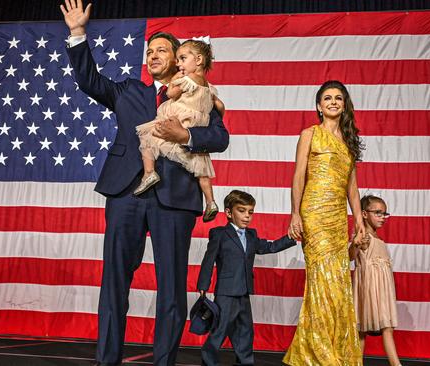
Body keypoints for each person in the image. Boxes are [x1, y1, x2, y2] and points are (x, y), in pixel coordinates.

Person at [60, 1, 229, 365]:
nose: (153, 55)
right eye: (149, 51)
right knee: (115, 282)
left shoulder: (201, 95)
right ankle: (108, 360)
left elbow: (220, 138)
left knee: (171, 287)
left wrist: (185, 135)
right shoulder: (129, 91)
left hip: (175, 199)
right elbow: (89, 80)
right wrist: (77, 33)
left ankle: (164, 361)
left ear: (179, 59)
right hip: (125, 194)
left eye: (162, 50)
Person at [283, 80, 366, 365]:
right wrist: (295, 213)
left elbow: (352, 188)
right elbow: (298, 176)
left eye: (338, 98)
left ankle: (336, 348)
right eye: (327, 98)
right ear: (319, 105)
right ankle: (317, 353)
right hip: (314, 214)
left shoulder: (349, 141)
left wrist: (360, 221)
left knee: (339, 280)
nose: (333, 102)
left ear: (344, 105)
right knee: (321, 279)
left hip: (336, 218)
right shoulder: (310, 134)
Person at [197, 190, 297, 365]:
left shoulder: (251, 235)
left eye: (250, 212)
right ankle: (208, 361)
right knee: (220, 330)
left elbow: (270, 247)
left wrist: (290, 238)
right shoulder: (219, 234)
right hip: (226, 293)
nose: (247, 216)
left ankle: (245, 362)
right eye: (241, 210)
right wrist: (203, 284)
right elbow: (208, 260)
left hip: (244, 292)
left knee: (245, 331)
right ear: (229, 212)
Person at [134, 38, 224, 222]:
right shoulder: (209, 86)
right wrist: (207, 117)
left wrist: (175, 82)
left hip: (178, 117)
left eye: (182, 58)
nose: (179, 63)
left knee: (147, 138)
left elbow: (171, 94)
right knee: (202, 171)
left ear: (198, 60)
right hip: (197, 121)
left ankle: (149, 173)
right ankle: (211, 201)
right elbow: (220, 105)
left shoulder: (186, 80)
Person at [350, 195, 401, 366]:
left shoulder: (378, 239)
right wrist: (356, 244)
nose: (382, 217)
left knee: (385, 328)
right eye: (377, 213)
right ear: (364, 214)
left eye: (384, 214)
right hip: (370, 288)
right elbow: (350, 256)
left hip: (383, 290)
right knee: (364, 330)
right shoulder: (363, 236)